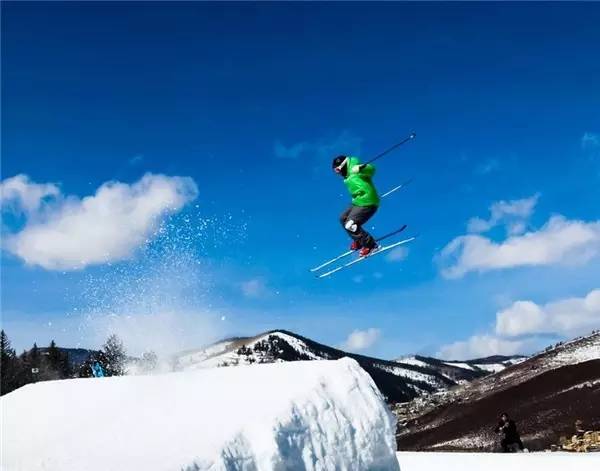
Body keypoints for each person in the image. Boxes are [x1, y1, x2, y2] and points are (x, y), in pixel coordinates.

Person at [332, 155, 380, 256]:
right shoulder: (347, 176)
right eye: (335, 171)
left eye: (337, 170)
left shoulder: (355, 170)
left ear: (343, 165)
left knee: (350, 224)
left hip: (368, 201)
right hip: (358, 201)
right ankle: (358, 240)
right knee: (342, 218)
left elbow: (372, 169)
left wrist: (362, 168)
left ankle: (371, 245)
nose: (338, 173)